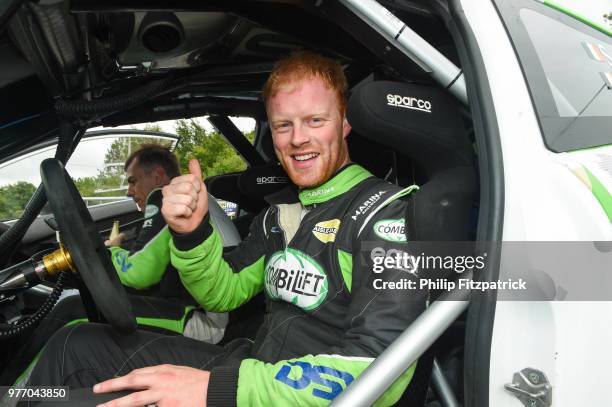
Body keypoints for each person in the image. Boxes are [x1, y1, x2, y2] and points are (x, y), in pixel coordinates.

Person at [26, 51, 426, 406]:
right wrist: (191, 232)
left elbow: (381, 365)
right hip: (250, 366)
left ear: (344, 123)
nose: (298, 139)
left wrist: (219, 390)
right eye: (283, 125)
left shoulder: (385, 215)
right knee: (72, 345)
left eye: (314, 120)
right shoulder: (280, 214)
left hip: (281, 394)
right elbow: (222, 293)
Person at [0, 145, 227, 386]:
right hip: (187, 305)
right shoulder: (178, 201)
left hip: (198, 320)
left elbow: (140, 273)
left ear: (158, 176)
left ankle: (10, 394)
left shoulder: (165, 198)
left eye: (133, 180)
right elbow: (148, 257)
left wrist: (110, 250)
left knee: (72, 311)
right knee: (76, 305)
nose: (129, 191)